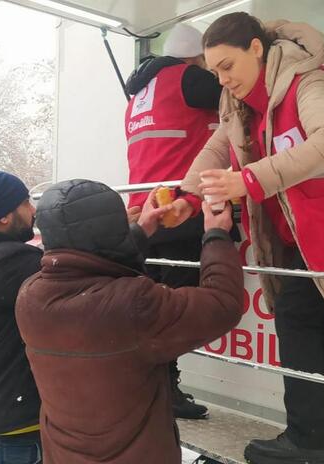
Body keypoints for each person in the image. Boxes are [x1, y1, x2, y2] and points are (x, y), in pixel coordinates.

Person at [173, 13, 324, 464]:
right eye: (214, 70)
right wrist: (186, 197)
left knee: (296, 315)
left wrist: (249, 181)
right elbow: (219, 146)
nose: (222, 79)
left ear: (256, 49)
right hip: (298, 235)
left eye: (227, 66)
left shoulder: (307, 81)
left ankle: (307, 437)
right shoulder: (237, 100)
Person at [14, 180, 243, 463]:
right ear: (111, 233)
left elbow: (89, 262)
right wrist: (217, 236)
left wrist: (142, 230)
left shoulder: (30, 294)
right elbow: (222, 305)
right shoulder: (132, 303)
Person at [124, 23, 224, 420]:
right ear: (198, 57)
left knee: (153, 305)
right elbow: (242, 100)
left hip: (144, 211)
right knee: (176, 308)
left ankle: (155, 385)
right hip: (179, 209)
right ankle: (164, 389)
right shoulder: (190, 78)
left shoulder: (139, 93)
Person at [0, 171, 42, 464]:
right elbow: (77, 278)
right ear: (4, 216)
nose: (33, 210)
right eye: (25, 202)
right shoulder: (10, 262)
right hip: (12, 435)